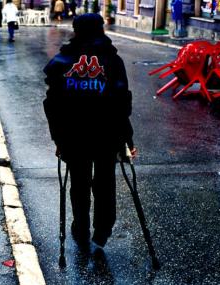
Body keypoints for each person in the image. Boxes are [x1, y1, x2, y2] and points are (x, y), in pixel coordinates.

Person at [43, 13, 136, 251]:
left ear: (76, 30)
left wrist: (58, 138)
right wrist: (127, 138)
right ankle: (102, 231)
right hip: (107, 136)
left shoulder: (63, 61)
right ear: (100, 30)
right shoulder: (112, 61)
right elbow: (122, 103)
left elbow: (52, 105)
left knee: (79, 183)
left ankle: (81, 229)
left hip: (74, 137)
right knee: (105, 184)